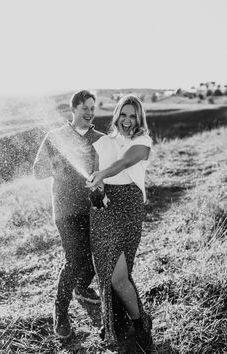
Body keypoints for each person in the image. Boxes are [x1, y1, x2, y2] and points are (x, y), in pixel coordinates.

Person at [33, 90, 104, 339]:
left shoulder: (100, 139)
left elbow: (110, 173)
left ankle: (82, 289)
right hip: (66, 210)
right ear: (73, 109)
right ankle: (60, 312)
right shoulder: (56, 137)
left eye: (92, 108)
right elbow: (37, 171)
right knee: (74, 260)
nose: (89, 112)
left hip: (95, 209)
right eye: (85, 107)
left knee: (97, 258)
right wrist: (59, 164)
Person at [86, 94, 153, 352]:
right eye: (123, 115)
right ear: (116, 115)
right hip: (103, 211)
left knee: (118, 277)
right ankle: (115, 324)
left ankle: (141, 325)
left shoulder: (142, 141)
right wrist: (96, 189)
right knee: (105, 273)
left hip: (128, 208)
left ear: (139, 118)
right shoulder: (103, 142)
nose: (127, 121)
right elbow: (94, 176)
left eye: (132, 116)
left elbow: (125, 162)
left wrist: (102, 174)